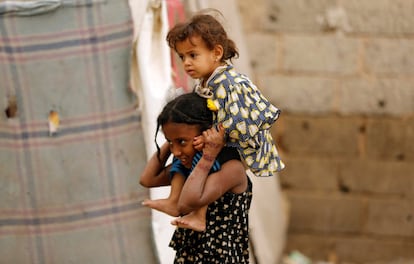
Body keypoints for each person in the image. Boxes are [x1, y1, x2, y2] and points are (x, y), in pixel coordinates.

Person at [166, 9, 285, 177]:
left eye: (193, 55)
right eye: (182, 57)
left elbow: (240, 121)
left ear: (216, 53)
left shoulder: (229, 84)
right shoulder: (207, 82)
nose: (187, 63)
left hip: (238, 150)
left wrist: (212, 136)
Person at [140, 93, 252, 263]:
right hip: (190, 256)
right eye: (171, 143)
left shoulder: (231, 169)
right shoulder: (190, 166)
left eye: (182, 142)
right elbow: (148, 179)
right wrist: (173, 140)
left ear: (205, 135)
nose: (176, 152)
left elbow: (187, 202)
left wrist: (208, 154)